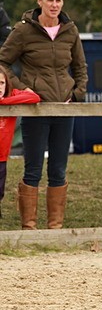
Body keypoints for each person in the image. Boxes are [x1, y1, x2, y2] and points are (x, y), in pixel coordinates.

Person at [0, 0, 87, 230]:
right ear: (40, 1)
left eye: (58, 0)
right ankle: (29, 226)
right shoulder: (24, 30)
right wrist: (19, 87)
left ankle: (55, 227)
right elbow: (3, 62)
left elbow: (80, 66)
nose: (54, 4)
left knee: (59, 168)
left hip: (63, 108)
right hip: (34, 108)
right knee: (33, 167)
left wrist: (78, 93)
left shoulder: (70, 30)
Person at [0, 67, 40, 220]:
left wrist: (5, 102)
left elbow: (34, 97)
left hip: (2, 156)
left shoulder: (12, 95)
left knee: (0, 190)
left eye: (2, 83)